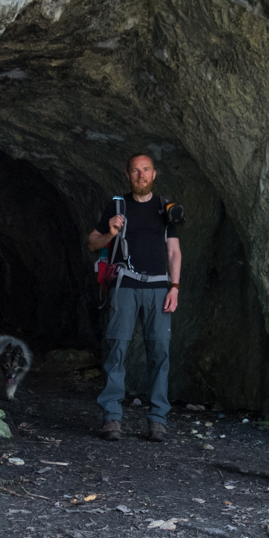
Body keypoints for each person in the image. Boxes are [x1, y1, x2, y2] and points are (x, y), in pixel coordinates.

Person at [88, 153, 181, 442]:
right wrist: (111, 232)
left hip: (157, 288)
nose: (141, 175)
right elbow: (93, 242)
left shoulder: (166, 209)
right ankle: (112, 418)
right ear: (128, 175)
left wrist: (175, 287)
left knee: (160, 354)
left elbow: (174, 251)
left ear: (154, 174)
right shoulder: (118, 206)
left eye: (146, 170)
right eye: (135, 171)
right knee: (117, 350)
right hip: (125, 286)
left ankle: (157, 420)